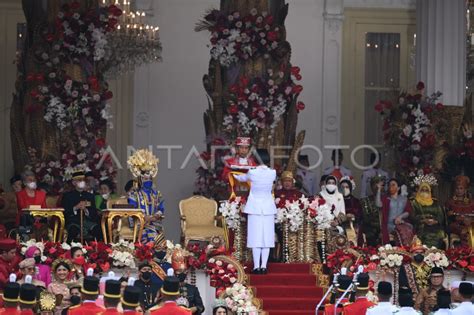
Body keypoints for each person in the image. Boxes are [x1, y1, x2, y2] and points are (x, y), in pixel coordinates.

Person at [233, 148, 276, 275]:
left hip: (255, 207)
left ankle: (257, 266)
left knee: (256, 237)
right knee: (266, 238)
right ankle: (264, 266)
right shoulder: (272, 172)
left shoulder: (252, 172)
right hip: (268, 207)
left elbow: (242, 178)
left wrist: (232, 173)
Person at [127, 149, 164, 243]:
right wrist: (144, 217)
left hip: (155, 224)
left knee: (155, 238)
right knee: (145, 235)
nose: (147, 177)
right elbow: (132, 210)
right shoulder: (134, 194)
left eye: (149, 174)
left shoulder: (156, 193)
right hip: (139, 224)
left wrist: (156, 215)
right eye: (144, 175)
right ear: (139, 177)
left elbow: (161, 208)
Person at [61, 169, 101, 242]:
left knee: (97, 229)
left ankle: (95, 249)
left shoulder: (90, 196)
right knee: (73, 231)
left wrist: (86, 210)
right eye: (79, 180)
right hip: (73, 221)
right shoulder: (67, 196)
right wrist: (76, 207)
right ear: (74, 182)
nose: (82, 182)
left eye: (83, 180)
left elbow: (94, 212)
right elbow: (65, 211)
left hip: (87, 221)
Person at [410, 175, 446, 249]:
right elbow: (412, 216)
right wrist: (423, 220)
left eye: (426, 190)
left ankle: (434, 253)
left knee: (440, 234)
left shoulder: (435, 202)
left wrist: (435, 221)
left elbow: (441, 216)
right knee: (426, 234)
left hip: (435, 226)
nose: (424, 192)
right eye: (422, 190)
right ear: (419, 190)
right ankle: (426, 253)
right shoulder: (414, 202)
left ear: (430, 191)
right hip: (421, 225)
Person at [377, 178, 413, 245]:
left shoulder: (404, 199)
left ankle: (405, 250)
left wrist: (400, 217)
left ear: (398, 187)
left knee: (408, 229)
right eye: (390, 185)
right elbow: (378, 204)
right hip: (389, 225)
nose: (391, 187)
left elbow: (408, 211)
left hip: (401, 223)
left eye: (393, 185)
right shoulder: (386, 198)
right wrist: (379, 190)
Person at [15, 170, 47, 237]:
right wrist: (34, 215)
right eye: (30, 180)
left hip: (39, 219)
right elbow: (22, 207)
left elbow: (44, 208)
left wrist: (39, 216)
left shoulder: (42, 194)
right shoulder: (20, 194)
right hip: (26, 219)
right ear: (24, 182)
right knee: (25, 217)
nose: (33, 182)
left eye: (34, 180)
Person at [446, 175, 474, 247]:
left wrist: (470, 220)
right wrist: (456, 217)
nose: (459, 191)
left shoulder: (471, 202)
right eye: (457, 188)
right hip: (455, 225)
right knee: (464, 231)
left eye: (461, 188)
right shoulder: (450, 202)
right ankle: (466, 253)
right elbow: (446, 217)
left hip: (469, 224)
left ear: (465, 190)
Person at [360, 175, 384, 246]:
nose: (377, 187)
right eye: (375, 184)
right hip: (370, 234)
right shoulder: (365, 201)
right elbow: (365, 219)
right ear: (371, 186)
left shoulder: (387, 200)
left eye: (380, 185)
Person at [339, 176, 362, 246]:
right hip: (339, 228)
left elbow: (360, 216)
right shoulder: (337, 200)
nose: (344, 189)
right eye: (342, 187)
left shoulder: (356, 201)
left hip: (352, 228)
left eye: (347, 187)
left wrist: (353, 216)